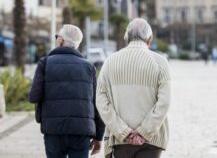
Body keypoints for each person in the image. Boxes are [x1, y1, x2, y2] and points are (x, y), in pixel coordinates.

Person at [96, 18, 171, 158]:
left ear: (126, 37)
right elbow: (164, 103)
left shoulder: (109, 62)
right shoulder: (161, 62)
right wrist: (144, 131)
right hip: (152, 140)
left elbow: (101, 101)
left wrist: (123, 132)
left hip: (120, 140)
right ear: (149, 38)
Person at [28, 24, 105, 158]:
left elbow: (33, 97)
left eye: (57, 36)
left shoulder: (44, 63)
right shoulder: (89, 67)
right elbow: (97, 103)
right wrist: (99, 137)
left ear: (61, 40)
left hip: (53, 130)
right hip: (81, 131)